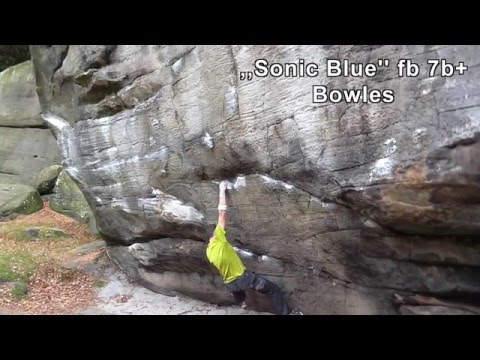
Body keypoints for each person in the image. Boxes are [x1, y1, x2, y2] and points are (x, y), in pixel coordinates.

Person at [206, 180, 302, 315]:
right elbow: (222, 214)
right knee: (273, 289)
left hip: (230, 284)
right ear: (214, 237)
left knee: (240, 293)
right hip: (243, 279)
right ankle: (287, 313)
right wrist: (222, 190)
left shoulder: (209, 253)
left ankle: (242, 303)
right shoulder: (219, 240)